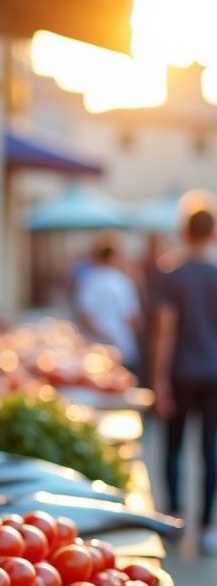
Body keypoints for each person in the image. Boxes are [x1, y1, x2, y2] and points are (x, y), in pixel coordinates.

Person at [152, 198, 217, 553]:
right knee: (211, 449)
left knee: (173, 447)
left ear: (183, 231)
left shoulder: (172, 275)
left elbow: (166, 331)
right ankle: (207, 526)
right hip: (212, 373)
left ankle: (175, 518)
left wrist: (159, 379)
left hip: (181, 373)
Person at [72, 234, 141, 370]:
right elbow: (133, 318)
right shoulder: (122, 281)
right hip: (122, 348)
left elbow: (85, 316)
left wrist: (102, 336)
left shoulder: (88, 281)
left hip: (95, 349)